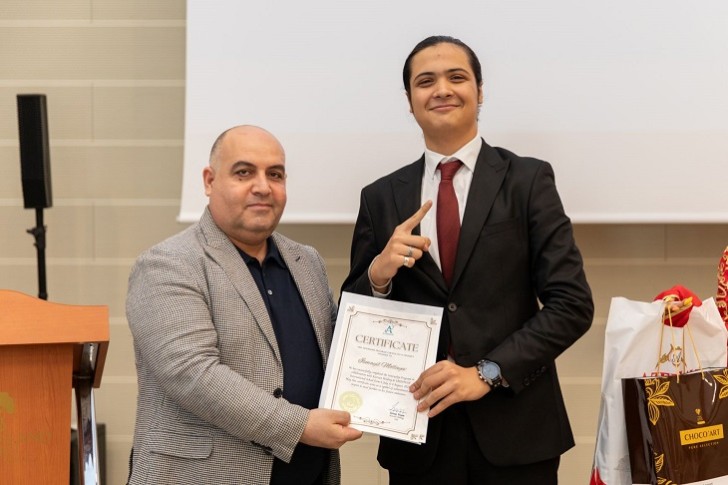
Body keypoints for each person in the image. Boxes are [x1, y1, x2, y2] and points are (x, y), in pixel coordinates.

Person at [341, 35, 594, 484]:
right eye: (425, 81)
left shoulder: (527, 180)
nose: (442, 89)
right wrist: (378, 276)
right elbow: (353, 316)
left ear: (479, 91)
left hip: (516, 435)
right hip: (419, 437)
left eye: (456, 77)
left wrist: (487, 372)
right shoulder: (380, 196)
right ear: (410, 101)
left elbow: (572, 305)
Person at [126, 125, 362, 485]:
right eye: (244, 172)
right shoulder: (168, 264)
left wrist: (378, 280)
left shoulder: (307, 262)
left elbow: (344, 350)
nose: (263, 187)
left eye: (275, 174)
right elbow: (193, 374)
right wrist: (300, 426)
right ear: (209, 181)